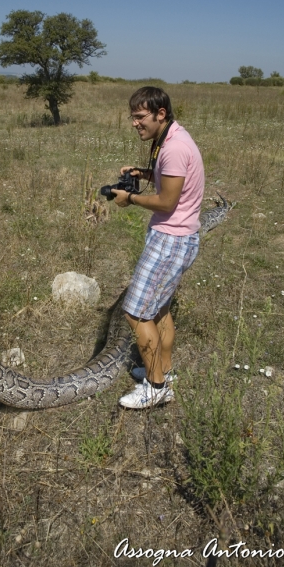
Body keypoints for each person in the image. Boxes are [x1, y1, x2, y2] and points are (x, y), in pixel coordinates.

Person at [111, 86, 204, 409]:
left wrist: (130, 198)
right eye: (132, 117)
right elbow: (170, 179)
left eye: (140, 117)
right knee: (159, 309)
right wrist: (143, 172)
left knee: (136, 313)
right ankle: (163, 371)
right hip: (178, 237)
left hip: (170, 240)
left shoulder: (174, 147)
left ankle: (155, 387)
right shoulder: (171, 139)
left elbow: (167, 201)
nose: (135, 123)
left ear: (160, 114)